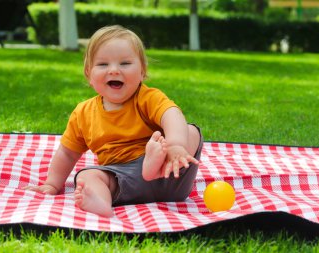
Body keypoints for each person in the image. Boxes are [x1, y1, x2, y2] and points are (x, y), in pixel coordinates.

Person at [25, 25, 203, 217]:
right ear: (88, 74)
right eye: (103, 65)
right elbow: (67, 154)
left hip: (170, 171)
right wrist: (52, 183)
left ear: (142, 72)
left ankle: (153, 165)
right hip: (121, 178)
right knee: (87, 176)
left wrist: (176, 145)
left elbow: (171, 114)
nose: (114, 70)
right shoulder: (83, 113)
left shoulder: (147, 98)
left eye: (125, 63)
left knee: (190, 131)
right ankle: (100, 201)